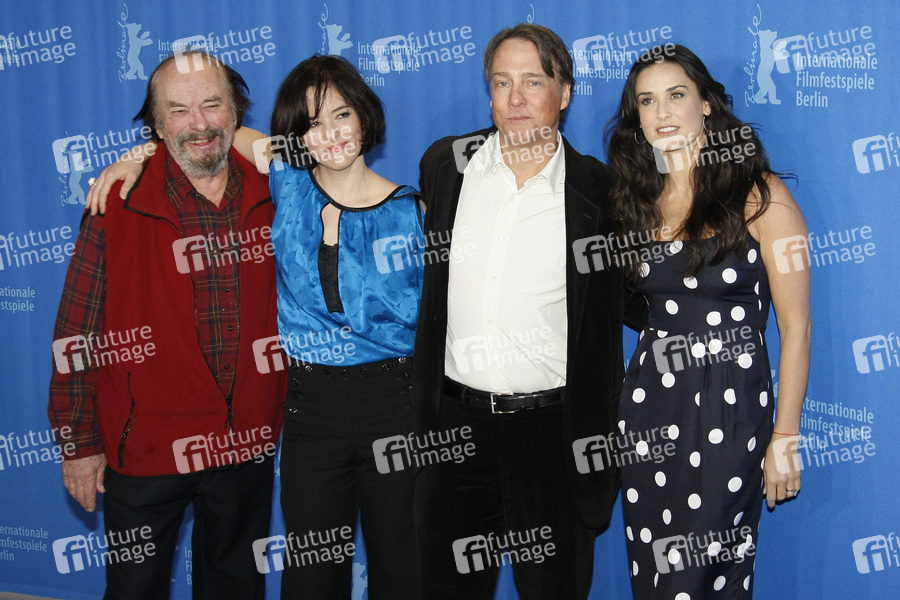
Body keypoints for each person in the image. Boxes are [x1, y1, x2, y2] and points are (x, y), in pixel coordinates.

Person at [84, 54, 421, 600]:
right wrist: (140, 153)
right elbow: (213, 130)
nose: (331, 133)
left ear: (365, 117)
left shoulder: (413, 211)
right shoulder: (286, 184)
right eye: (313, 122)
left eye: (342, 115)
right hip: (305, 412)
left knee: (403, 569)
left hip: (388, 404)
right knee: (310, 578)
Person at [413, 23, 645, 599]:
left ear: (564, 93)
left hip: (554, 438)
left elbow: (645, 304)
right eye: (502, 82)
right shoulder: (446, 166)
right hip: (455, 430)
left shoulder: (601, 193)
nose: (515, 99)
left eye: (533, 82)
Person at [48, 51, 285, 599]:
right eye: (178, 110)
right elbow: (76, 332)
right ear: (156, 125)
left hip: (245, 446)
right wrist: (78, 442)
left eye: (212, 105)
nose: (198, 124)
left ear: (236, 113)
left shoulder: (279, 192)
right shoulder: (118, 204)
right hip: (146, 450)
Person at [605, 45, 810, 599]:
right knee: (653, 574)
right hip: (649, 409)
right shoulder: (638, 201)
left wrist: (785, 437)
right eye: (647, 101)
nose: (662, 112)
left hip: (730, 407)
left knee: (703, 575)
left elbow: (796, 327)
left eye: (676, 95)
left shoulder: (760, 195)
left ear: (707, 105)